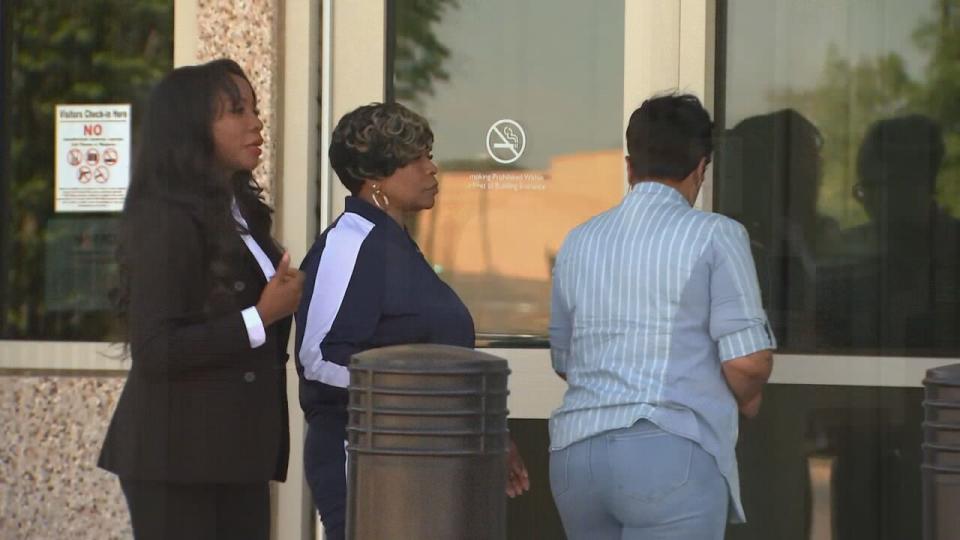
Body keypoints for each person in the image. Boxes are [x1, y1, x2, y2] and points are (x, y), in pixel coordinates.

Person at [295, 102, 530, 540]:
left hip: (424, 459)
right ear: (376, 178)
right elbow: (318, 358)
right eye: (417, 158)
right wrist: (419, 393)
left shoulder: (397, 245)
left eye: (429, 154)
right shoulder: (350, 242)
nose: (432, 168)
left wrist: (491, 430)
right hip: (369, 460)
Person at [548, 94, 775, 539]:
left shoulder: (579, 240)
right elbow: (748, 361)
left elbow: (564, 358)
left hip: (577, 457)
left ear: (630, 166)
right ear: (701, 168)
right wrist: (748, 399)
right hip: (669, 450)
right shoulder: (716, 235)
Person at [98, 59, 304, 540]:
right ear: (193, 128)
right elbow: (155, 347)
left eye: (254, 108)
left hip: (234, 452)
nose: (256, 122)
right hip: (178, 457)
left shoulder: (240, 210)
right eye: (237, 111)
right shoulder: (165, 218)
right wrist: (261, 316)